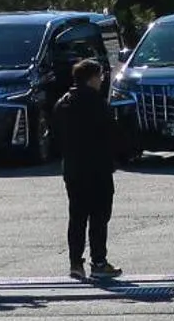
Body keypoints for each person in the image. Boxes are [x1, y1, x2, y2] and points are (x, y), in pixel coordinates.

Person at [54, 58, 121, 281]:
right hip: (97, 168)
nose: (101, 80)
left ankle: (75, 263)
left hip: (72, 169)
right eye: (100, 76)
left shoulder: (63, 103)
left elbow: (56, 136)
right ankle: (99, 262)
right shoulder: (97, 102)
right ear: (92, 78)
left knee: (77, 217)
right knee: (99, 217)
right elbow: (110, 134)